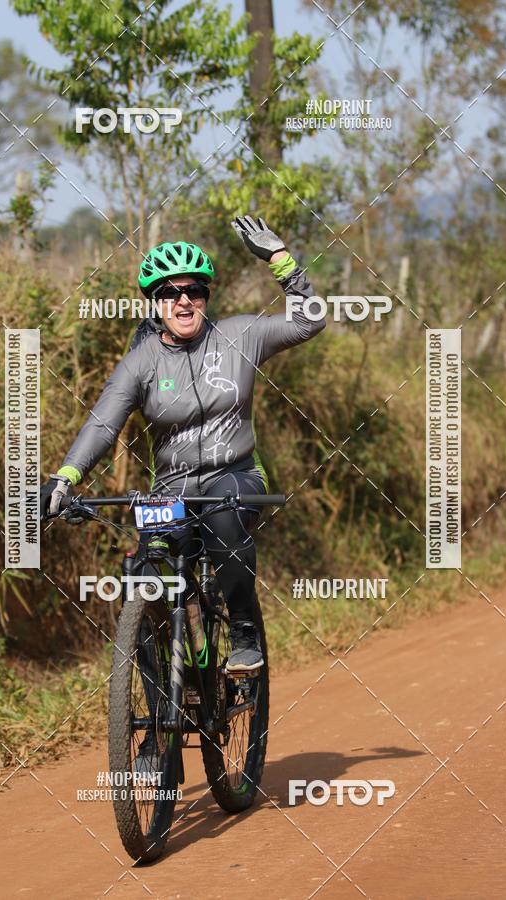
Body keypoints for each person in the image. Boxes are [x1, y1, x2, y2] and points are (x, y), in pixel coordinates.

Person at [40, 215, 325, 672]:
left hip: (236, 475)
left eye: (194, 291)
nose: (184, 300)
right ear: (155, 303)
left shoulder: (240, 336)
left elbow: (310, 322)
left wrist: (279, 259)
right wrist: (64, 478)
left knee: (225, 518)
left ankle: (244, 629)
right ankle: (159, 722)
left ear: (206, 297)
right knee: (145, 577)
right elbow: (102, 423)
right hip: (171, 489)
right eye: (170, 293)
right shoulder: (141, 362)